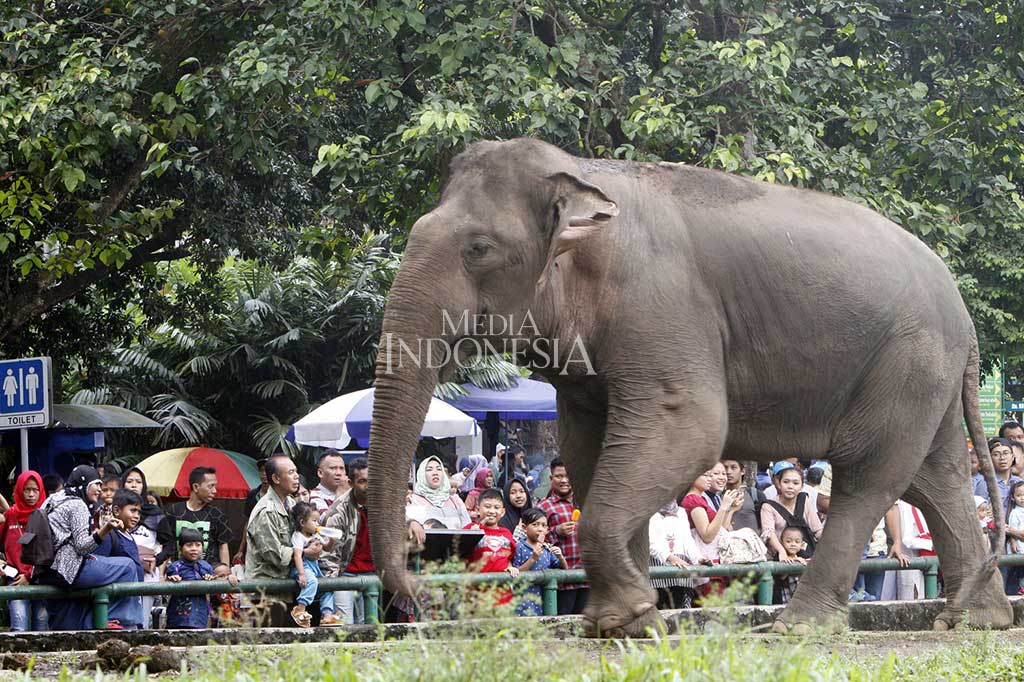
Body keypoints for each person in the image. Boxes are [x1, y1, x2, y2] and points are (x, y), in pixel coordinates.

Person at [37, 465, 143, 630]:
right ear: (84, 484)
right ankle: (109, 619)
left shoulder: (53, 499)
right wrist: (106, 528)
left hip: (48, 569)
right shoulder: (77, 505)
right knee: (128, 566)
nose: (100, 490)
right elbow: (82, 547)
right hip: (70, 568)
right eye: (97, 484)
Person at [122, 467, 174, 628]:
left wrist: (156, 560)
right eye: (129, 481)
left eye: (138, 482)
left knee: (142, 624)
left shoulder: (154, 513)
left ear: (143, 486)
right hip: (121, 577)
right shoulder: (113, 512)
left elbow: (170, 544)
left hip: (146, 577)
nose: (133, 485)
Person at [536, 459, 587, 614]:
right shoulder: (544, 506)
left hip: (588, 575)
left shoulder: (585, 501)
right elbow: (535, 537)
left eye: (568, 476)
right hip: (562, 578)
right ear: (551, 479)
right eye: (559, 476)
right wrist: (556, 532)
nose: (564, 480)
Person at [0, 471, 48, 631]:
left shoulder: (46, 515)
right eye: (26, 490)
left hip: (40, 578)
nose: (31, 494)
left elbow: (49, 551)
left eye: (35, 490)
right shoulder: (10, 515)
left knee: (42, 628)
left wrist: (29, 575)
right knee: (19, 626)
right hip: (14, 579)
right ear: (19, 490)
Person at [245, 456, 299, 580]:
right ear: (276, 478)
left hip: (284, 587)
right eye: (291, 472)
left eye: (296, 471)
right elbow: (275, 556)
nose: (296, 476)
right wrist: (304, 552)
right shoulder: (266, 511)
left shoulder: (291, 503)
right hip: (263, 591)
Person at [289, 501, 341, 627]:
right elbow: (297, 555)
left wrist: (332, 538)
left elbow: (327, 548)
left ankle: (327, 615)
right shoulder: (298, 536)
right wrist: (301, 574)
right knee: (311, 581)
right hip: (302, 567)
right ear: (302, 523)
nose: (317, 524)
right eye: (314, 521)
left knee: (327, 586)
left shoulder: (316, 534)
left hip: (314, 567)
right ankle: (300, 609)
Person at [463, 488, 518, 607]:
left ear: (503, 512)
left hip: (502, 595)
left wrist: (510, 567)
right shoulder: (471, 529)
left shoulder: (507, 533)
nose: (492, 511)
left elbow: (509, 557)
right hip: (476, 595)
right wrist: (470, 536)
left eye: (496, 507)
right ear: (478, 509)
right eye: (487, 506)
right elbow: (459, 553)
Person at [170, 466, 234, 566]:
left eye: (215, 486)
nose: (214, 491)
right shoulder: (175, 510)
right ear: (196, 487)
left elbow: (223, 545)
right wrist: (162, 574)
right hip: (178, 575)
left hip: (209, 575)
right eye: (210, 486)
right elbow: (167, 543)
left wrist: (225, 571)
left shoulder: (216, 514)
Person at [760, 462, 823, 560]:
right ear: (779, 484)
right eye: (786, 482)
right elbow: (769, 533)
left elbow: (817, 529)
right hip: (777, 556)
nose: (790, 486)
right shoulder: (768, 506)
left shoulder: (804, 500)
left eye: (795, 483)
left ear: (802, 486)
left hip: (805, 555)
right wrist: (782, 551)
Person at [648, 500, 705, 609]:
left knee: (681, 613)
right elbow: (650, 542)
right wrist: (669, 557)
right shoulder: (648, 510)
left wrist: (699, 558)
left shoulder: (681, 512)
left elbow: (688, 541)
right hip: (657, 572)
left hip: (681, 571)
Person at [511, 507, 566, 615]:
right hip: (524, 597)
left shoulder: (547, 548)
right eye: (535, 525)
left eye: (543, 525)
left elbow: (564, 569)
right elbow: (516, 572)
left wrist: (560, 557)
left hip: (544, 596)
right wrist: (533, 558)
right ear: (524, 527)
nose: (540, 529)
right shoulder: (519, 547)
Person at [682, 468, 741, 564]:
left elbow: (720, 529)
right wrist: (723, 507)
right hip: (707, 558)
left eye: (710, 476)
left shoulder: (700, 499)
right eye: (705, 475)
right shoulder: (692, 500)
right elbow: (707, 537)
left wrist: (731, 509)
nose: (709, 479)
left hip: (715, 556)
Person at [165, 528, 216, 628]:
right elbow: (168, 581)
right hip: (178, 615)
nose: (194, 548)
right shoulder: (175, 567)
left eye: (198, 545)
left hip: (200, 614)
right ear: (180, 548)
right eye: (189, 545)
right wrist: (173, 579)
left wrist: (210, 579)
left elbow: (214, 588)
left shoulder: (207, 567)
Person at [406, 456, 471, 530]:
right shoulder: (414, 500)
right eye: (429, 470)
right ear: (422, 475)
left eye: (439, 469)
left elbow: (467, 527)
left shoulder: (455, 500)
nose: (435, 473)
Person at [234, 458, 271, 565]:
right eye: (261, 471)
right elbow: (248, 522)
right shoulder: (253, 494)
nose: (264, 474)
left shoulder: (280, 495)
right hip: (253, 543)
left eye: (267, 470)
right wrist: (241, 550)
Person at [974, 437, 1023, 517]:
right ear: (989, 459)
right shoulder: (984, 484)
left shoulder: (1019, 482)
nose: (1002, 458)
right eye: (996, 454)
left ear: (1012, 457)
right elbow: (979, 513)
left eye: (1006, 453)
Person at [720, 459, 763, 533]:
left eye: (733, 468)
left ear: (743, 471)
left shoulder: (755, 494)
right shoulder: (718, 497)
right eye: (725, 468)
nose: (728, 472)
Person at [775, 526, 810, 604]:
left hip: (800, 592)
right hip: (784, 592)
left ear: (802, 544)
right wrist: (793, 563)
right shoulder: (780, 556)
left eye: (797, 542)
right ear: (781, 542)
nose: (793, 544)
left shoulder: (802, 555)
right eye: (788, 541)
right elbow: (781, 577)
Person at [309, 450, 349, 520]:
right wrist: (340, 493)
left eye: (342, 468)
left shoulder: (350, 493)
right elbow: (327, 522)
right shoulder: (314, 496)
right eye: (333, 468)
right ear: (320, 473)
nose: (338, 473)